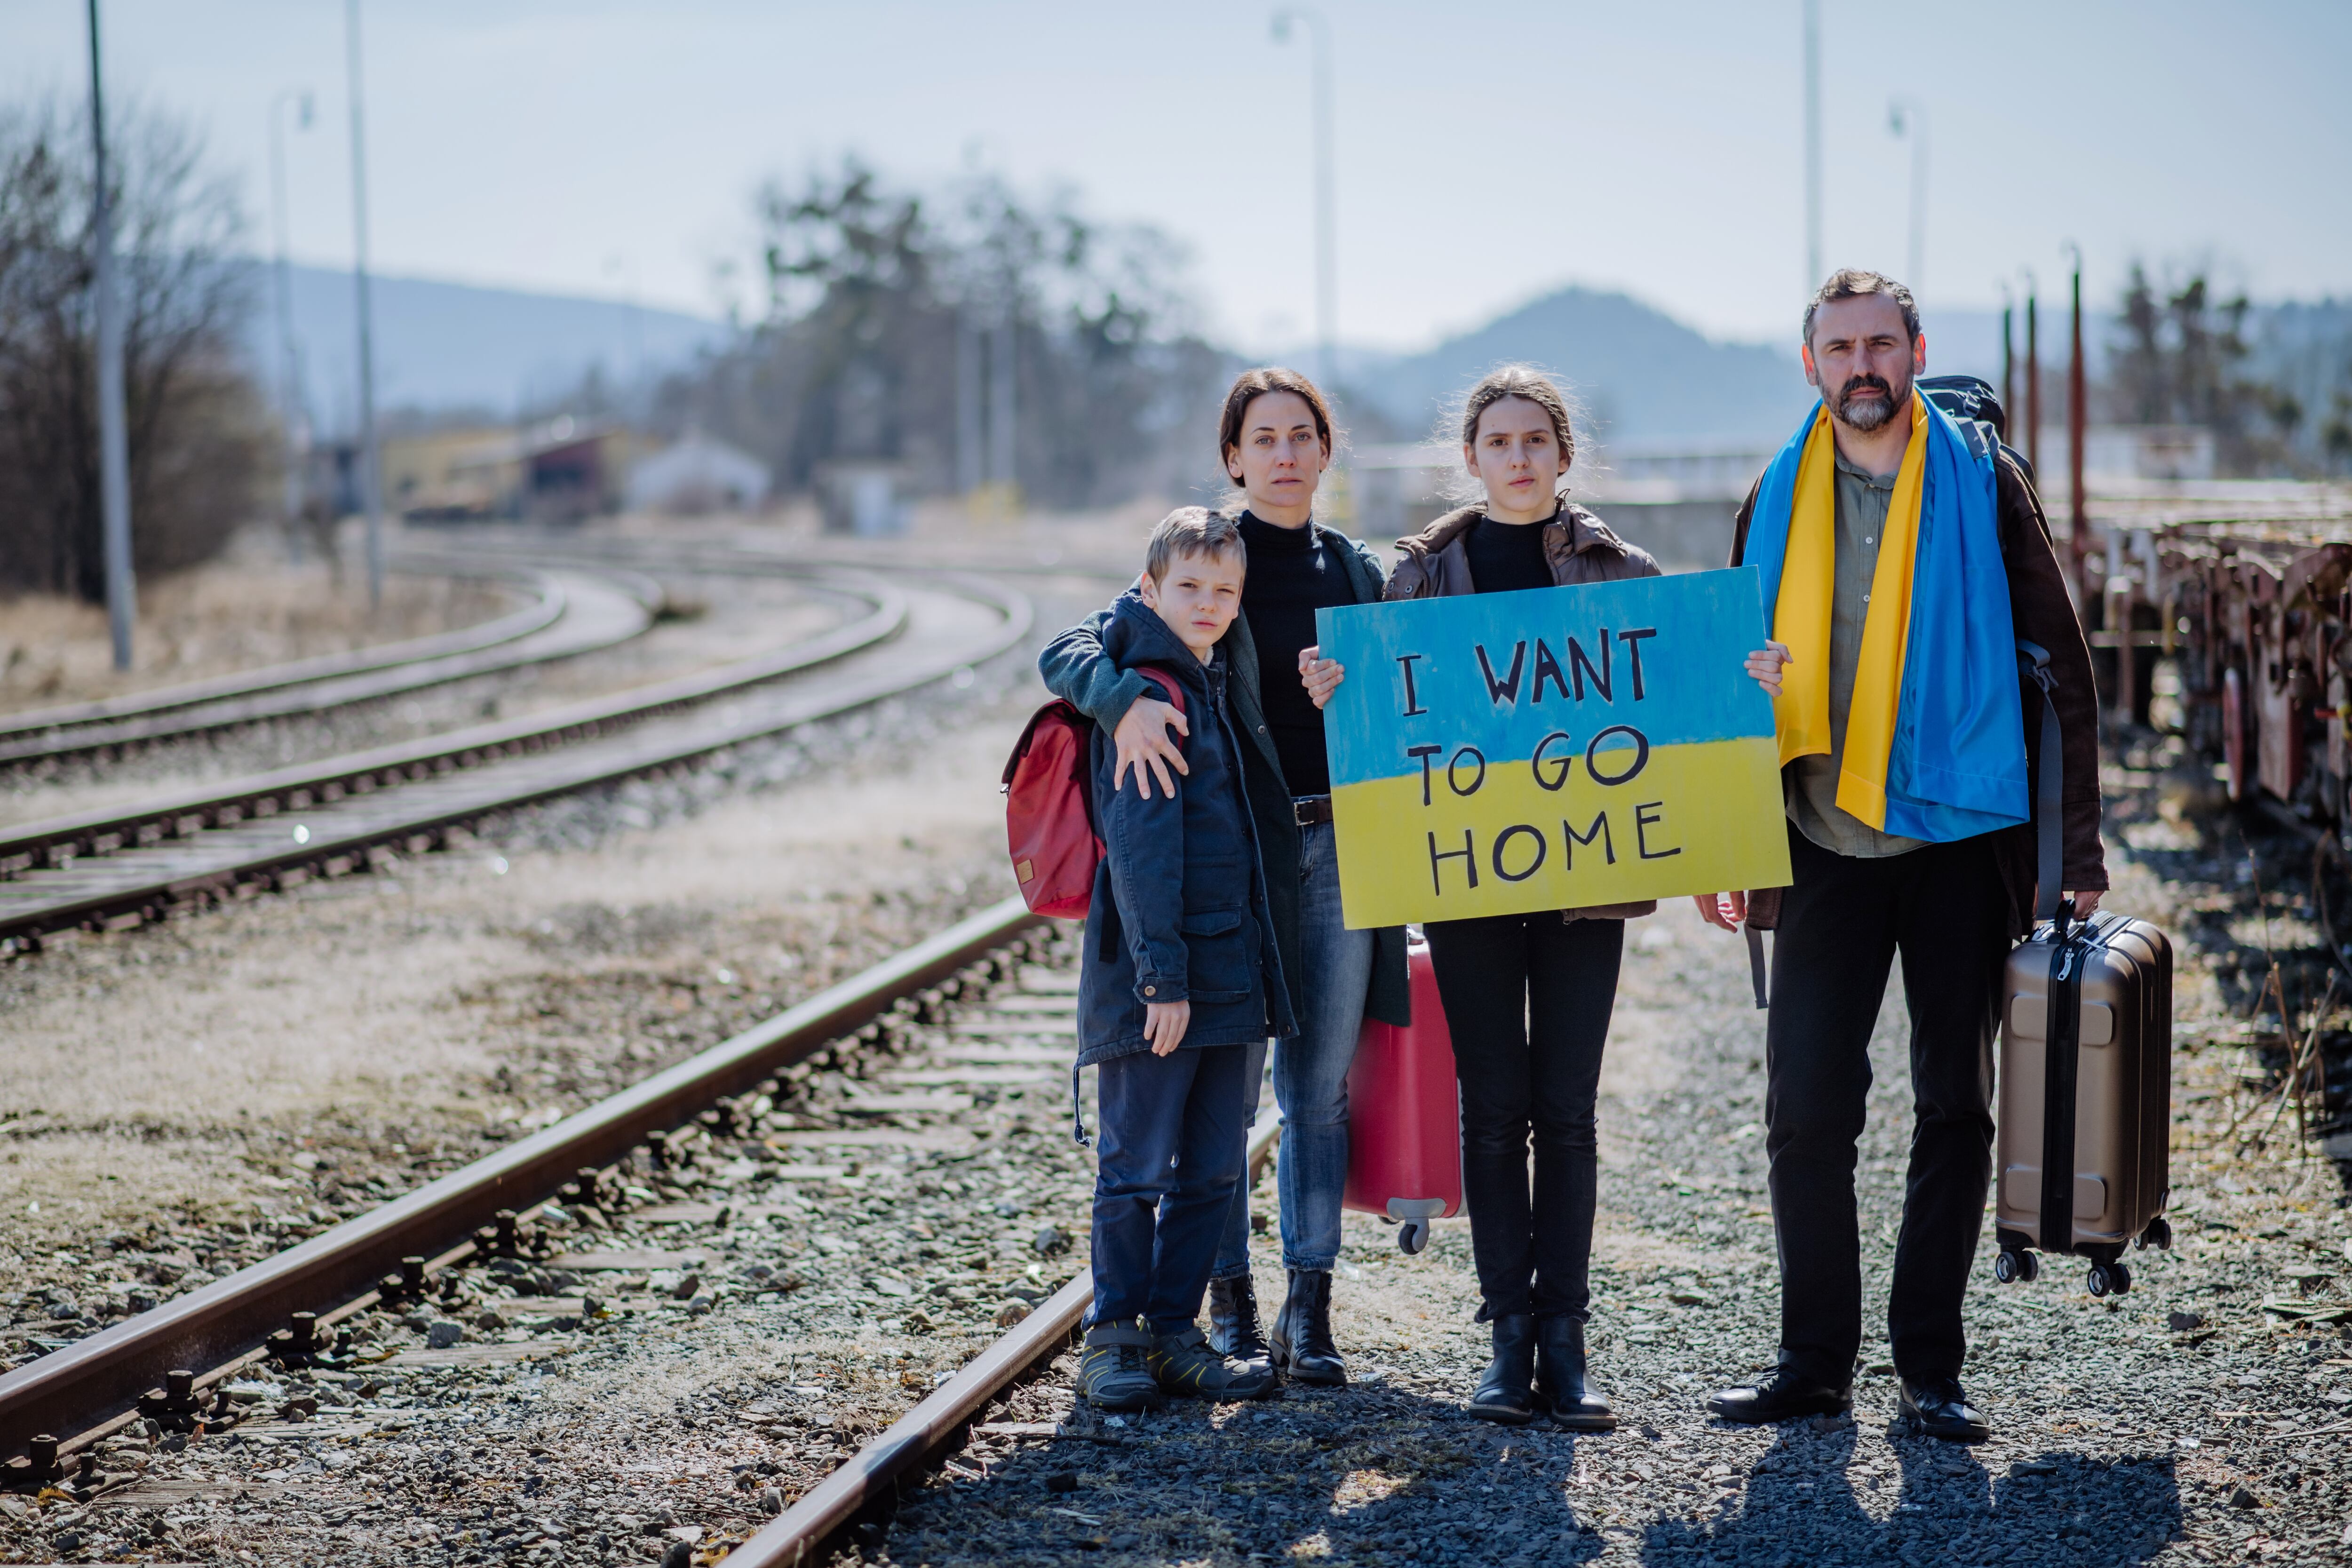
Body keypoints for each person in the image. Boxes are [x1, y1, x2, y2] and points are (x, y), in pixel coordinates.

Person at [1693, 270, 2106, 1444]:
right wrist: (1729, 830)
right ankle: (1812, 1363)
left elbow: (2061, 664)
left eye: (1881, 342)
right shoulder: (1774, 491)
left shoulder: (1984, 480)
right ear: (1810, 362)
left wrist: (2076, 843)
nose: (1861, 363)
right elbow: (1730, 670)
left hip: (1958, 841)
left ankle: (1931, 1365)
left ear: (1916, 350)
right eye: (1839, 346)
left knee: (1954, 1106)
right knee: (1804, 1110)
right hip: (1821, 838)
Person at [1039, 368, 1410, 1387]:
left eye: (1304, 434)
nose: (1286, 453)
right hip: (1240, 854)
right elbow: (1075, 641)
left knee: (1309, 1091)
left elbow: (1410, 689)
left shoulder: (1355, 570)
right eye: (1264, 436)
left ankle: (1305, 1308)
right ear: (1234, 455)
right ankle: (1219, 1312)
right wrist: (1120, 700)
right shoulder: (1205, 553)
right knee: (1205, 1103)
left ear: (1326, 452)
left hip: (1330, 844)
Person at [1320, 364, 1658, 1428]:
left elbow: (1668, 701)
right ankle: (1505, 1340)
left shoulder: (1623, 569)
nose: (1518, 458)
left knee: (1565, 1112)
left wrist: (1743, 677)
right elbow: (1379, 722)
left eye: (1536, 441)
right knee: (1493, 1107)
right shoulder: (1417, 576)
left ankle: (1569, 1341)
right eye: (1498, 442)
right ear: (1471, 458)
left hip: (1587, 876)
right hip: (1463, 876)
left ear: (1564, 454)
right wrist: (1336, 689)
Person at [1071, 507, 1295, 1411]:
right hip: (1163, 985)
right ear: (1150, 587)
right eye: (1190, 587)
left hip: (1232, 976)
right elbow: (1143, 847)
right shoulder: (1151, 696)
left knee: (1212, 1169)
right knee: (1134, 1168)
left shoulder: (1214, 681)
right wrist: (1161, 979)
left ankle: (1173, 1332)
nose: (1209, 603)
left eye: (1225, 590)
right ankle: (1114, 1336)